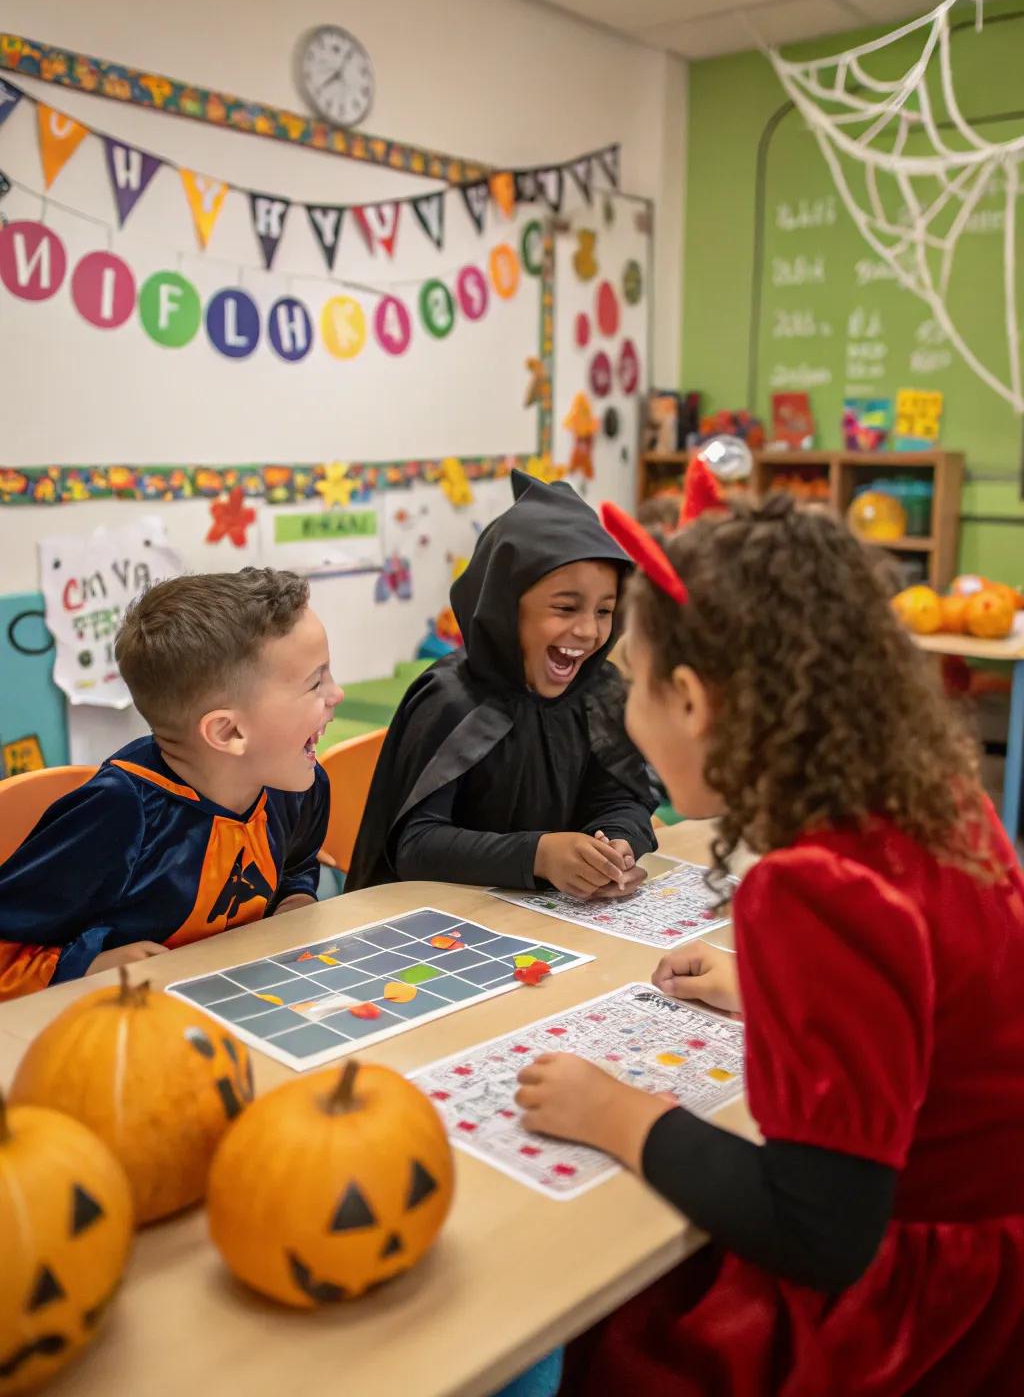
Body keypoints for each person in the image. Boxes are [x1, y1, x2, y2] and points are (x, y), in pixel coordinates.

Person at [515, 494, 1024, 1395]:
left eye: (633, 683)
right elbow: (937, 1004)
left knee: (620, 1335)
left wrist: (617, 1114)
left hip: (926, 1309)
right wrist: (767, 992)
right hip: (997, 1243)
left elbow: (822, 1232)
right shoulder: (940, 798)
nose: (625, 712)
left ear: (693, 701)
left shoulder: (812, 888)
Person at [0, 568, 341, 999]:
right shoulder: (119, 814)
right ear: (228, 733)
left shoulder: (297, 786)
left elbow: (297, 864)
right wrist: (87, 965)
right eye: (316, 682)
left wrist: (296, 900)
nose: (337, 694)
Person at [346, 471, 656, 896]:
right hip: (441, 929)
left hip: (552, 925)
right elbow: (415, 845)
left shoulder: (599, 691)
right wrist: (539, 856)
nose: (588, 631)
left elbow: (622, 798)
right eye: (566, 608)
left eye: (605, 611)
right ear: (505, 608)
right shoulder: (451, 699)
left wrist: (616, 845)